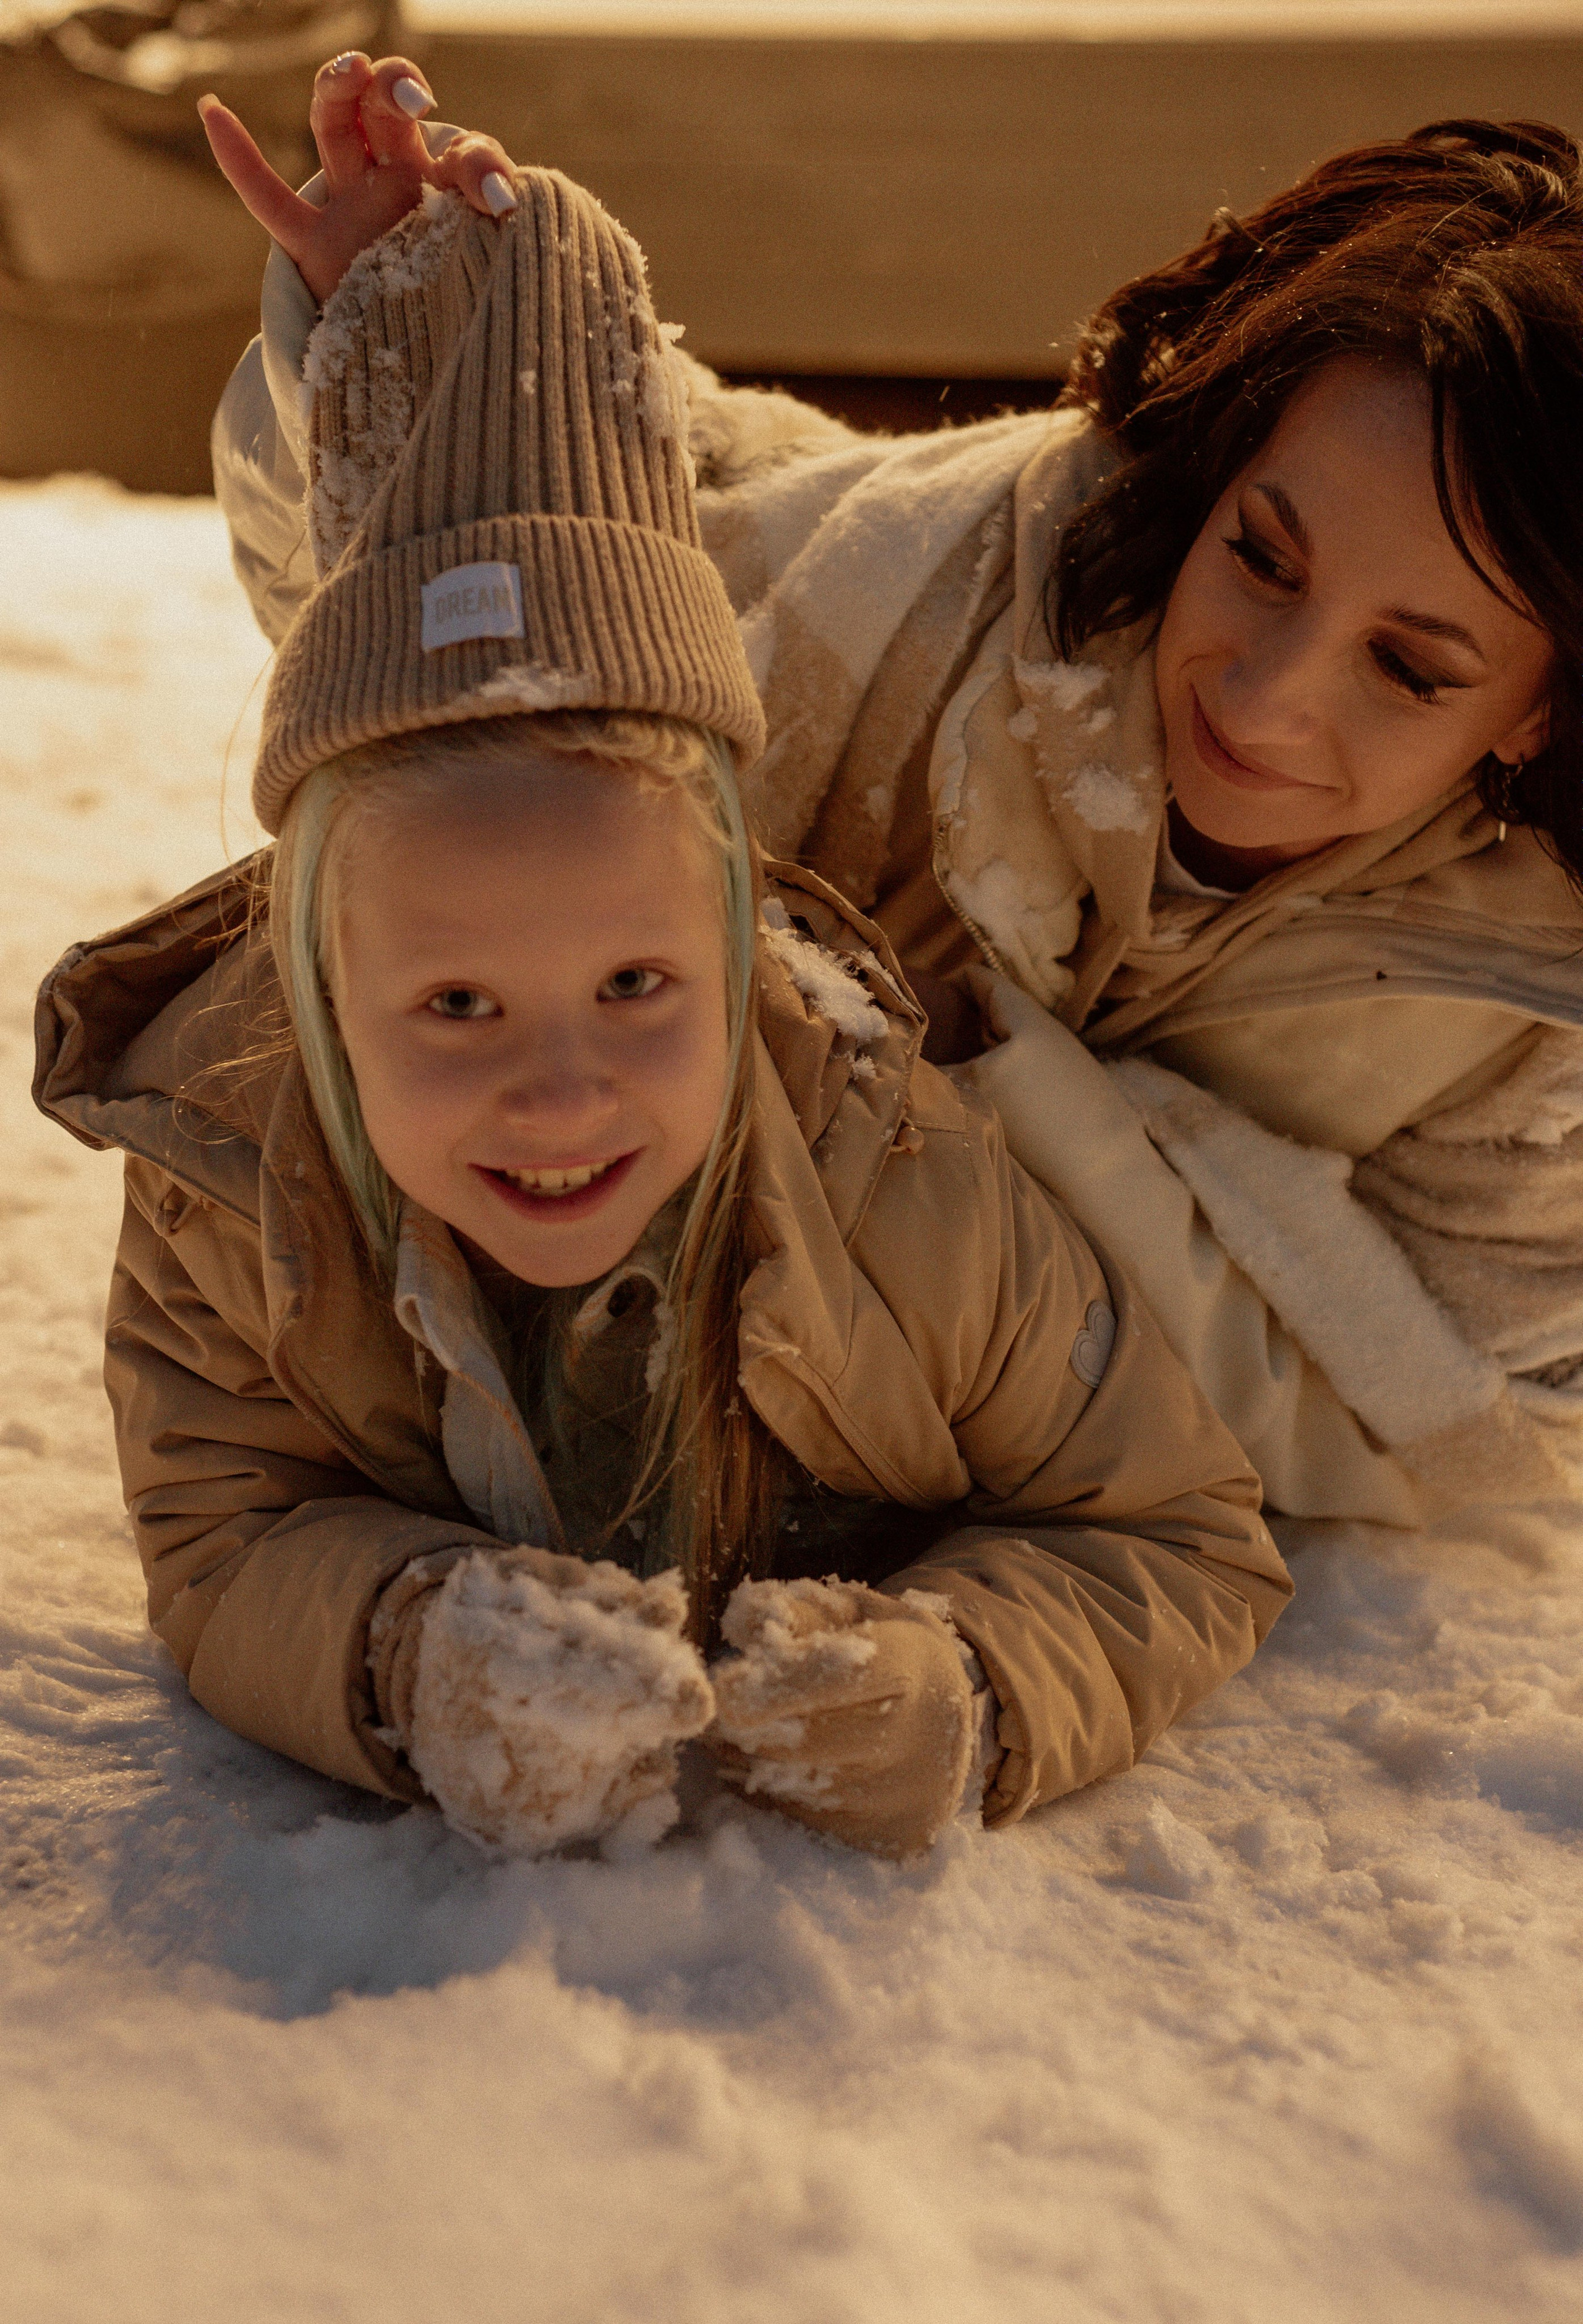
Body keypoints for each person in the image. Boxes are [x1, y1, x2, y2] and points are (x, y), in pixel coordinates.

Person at [35, 88, 1287, 1860]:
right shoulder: (231, 1185)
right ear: (315, 969)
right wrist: (406, 1648)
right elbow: (226, 1531)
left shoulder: (894, 1176)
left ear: (734, 934)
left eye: (639, 986)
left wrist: (971, 1689)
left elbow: (1175, 1530)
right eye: (457, 1005)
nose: (561, 1093)